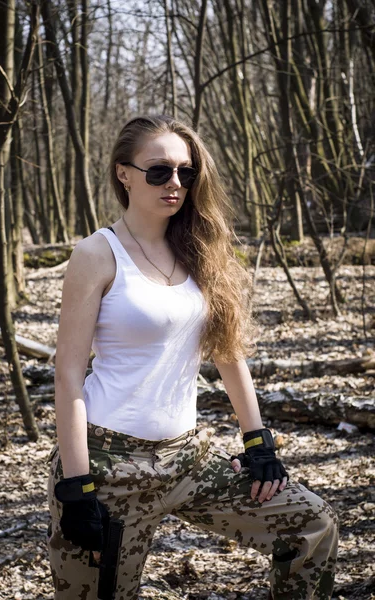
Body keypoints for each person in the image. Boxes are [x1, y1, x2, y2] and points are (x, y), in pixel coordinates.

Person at [46, 114, 338, 600]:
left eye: (187, 172)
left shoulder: (199, 249)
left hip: (189, 460)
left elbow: (228, 350)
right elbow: (68, 375)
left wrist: (257, 441)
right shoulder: (98, 253)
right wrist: (77, 487)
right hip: (108, 465)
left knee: (312, 527)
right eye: (159, 171)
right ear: (124, 174)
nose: (175, 183)